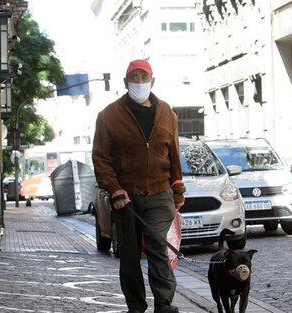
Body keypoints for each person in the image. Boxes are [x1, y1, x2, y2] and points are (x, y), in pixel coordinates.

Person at [92, 59, 185, 313]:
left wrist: (178, 189)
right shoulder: (109, 115)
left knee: (158, 245)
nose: (139, 82)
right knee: (130, 255)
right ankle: (136, 306)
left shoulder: (168, 112)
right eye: (134, 78)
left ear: (152, 81)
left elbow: (174, 154)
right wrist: (114, 188)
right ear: (126, 82)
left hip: (159, 193)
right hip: (127, 197)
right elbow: (101, 158)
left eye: (144, 78)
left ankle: (164, 303)